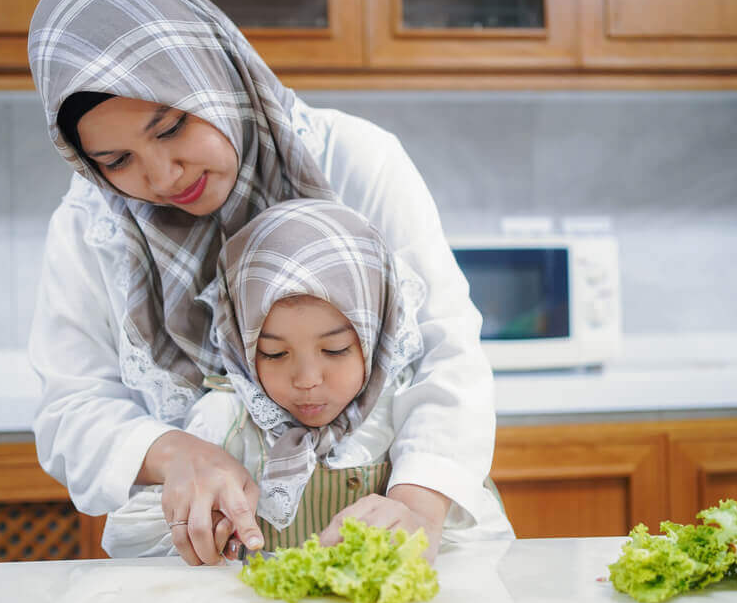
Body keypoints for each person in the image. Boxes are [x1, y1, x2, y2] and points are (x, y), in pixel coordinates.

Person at [28, 0, 505, 567]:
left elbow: (446, 354)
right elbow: (70, 409)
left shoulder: (354, 159)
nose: (161, 176)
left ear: (215, 79)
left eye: (172, 126)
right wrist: (175, 453)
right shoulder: (92, 224)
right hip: (202, 561)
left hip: (392, 546)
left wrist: (416, 504)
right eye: (116, 160)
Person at [100, 200, 514, 561]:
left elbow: (485, 556)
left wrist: (418, 526)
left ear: (378, 339)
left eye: (335, 351)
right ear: (240, 348)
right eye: (274, 354)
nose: (308, 380)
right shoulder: (223, 424)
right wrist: (193, 533)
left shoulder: (412, 415)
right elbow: (136, 547)